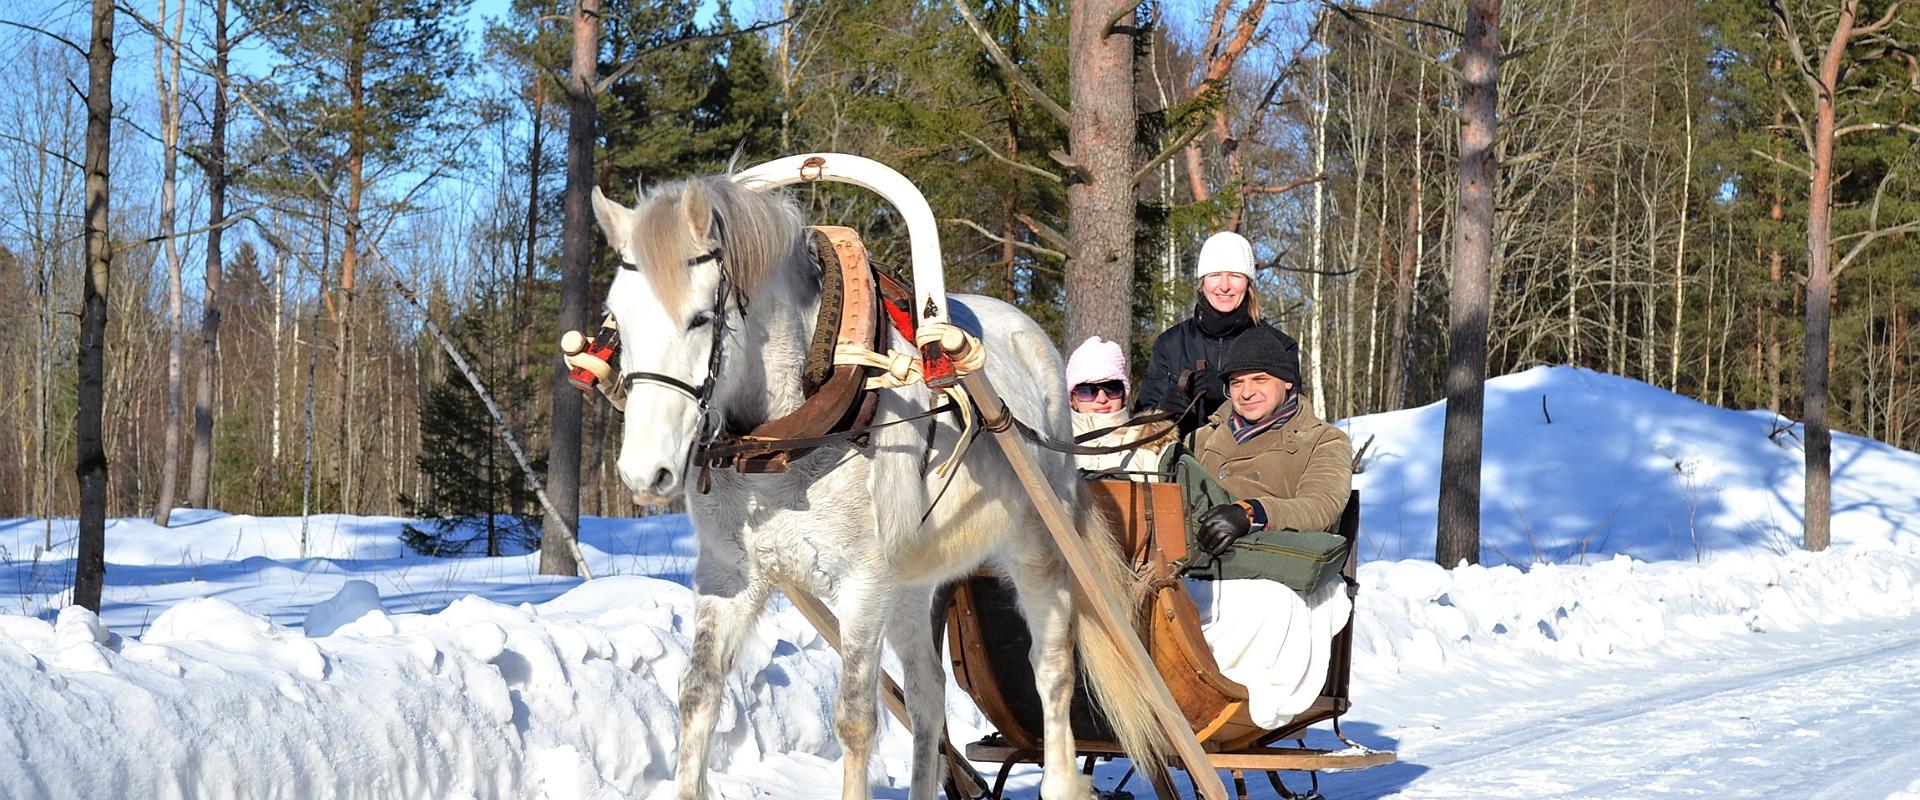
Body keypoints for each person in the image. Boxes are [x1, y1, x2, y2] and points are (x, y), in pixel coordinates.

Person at [1165, 324, 1356, 729]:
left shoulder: (1323, 441)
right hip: (1201, 562)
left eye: (1259, 380)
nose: (1246, 391)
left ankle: (1220, 698)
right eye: (1236, 382)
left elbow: (1321, 505)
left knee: (1267, 605)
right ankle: (1165, 692)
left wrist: (1252, 512)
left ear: (1286, 382)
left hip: (1277, 564)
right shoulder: (1202, 438)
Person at [1134, 231, 1283, 433]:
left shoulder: (1278, 345)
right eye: (1215, 275)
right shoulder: (1169, 344)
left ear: (1247, 283)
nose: (1224, 286)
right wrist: (1160, 412)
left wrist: (1228, 393)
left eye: (1235, 275)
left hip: (1253, 461)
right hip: (1183, 461)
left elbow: (1294, 417)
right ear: (1202, 283)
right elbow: (1139, 425)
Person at [1063, 336, 1170, 477]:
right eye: (1087, 391)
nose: (1102, 399)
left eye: (1111, 388)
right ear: (1072, 398)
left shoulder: (1152, 443)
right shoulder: (1055, 447)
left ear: (1124, 393)